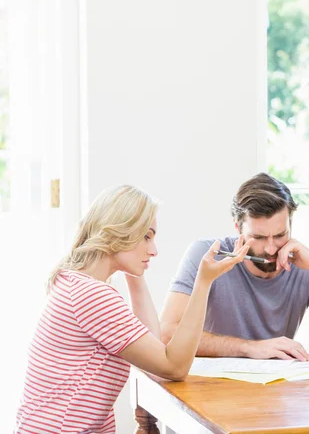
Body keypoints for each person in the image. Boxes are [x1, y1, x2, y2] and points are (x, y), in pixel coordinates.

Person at [14, 184, 252, 434]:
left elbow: (155, 353)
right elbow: (174, 367)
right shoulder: (93, 296)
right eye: (147, 236)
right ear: (119, 232)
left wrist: (133, 272)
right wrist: (203, 282)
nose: (154, 250)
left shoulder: (74, 282)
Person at [160, 173, 309, 361]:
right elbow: (168, 333)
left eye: (280, 235)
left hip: (273, 393)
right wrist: (250, 348)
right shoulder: (207, 256)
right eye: (258, 237)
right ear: (237, 226)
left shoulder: (307, 265)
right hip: (211, 388)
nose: (271, 249)